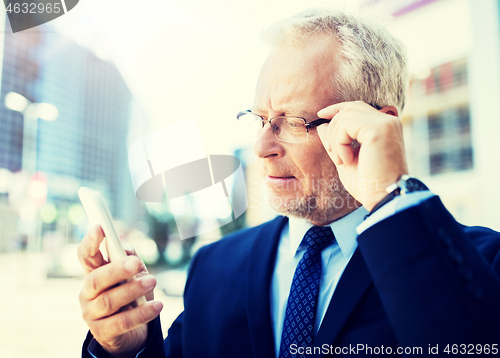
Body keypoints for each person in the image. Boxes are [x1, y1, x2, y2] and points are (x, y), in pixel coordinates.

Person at [78, 8, 500, 358]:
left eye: (292, 122)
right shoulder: (215, 266)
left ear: (376, 126)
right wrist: (124, 348)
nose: (262, 146)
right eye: (260, 119)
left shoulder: (481, 263)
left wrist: (389, 196)